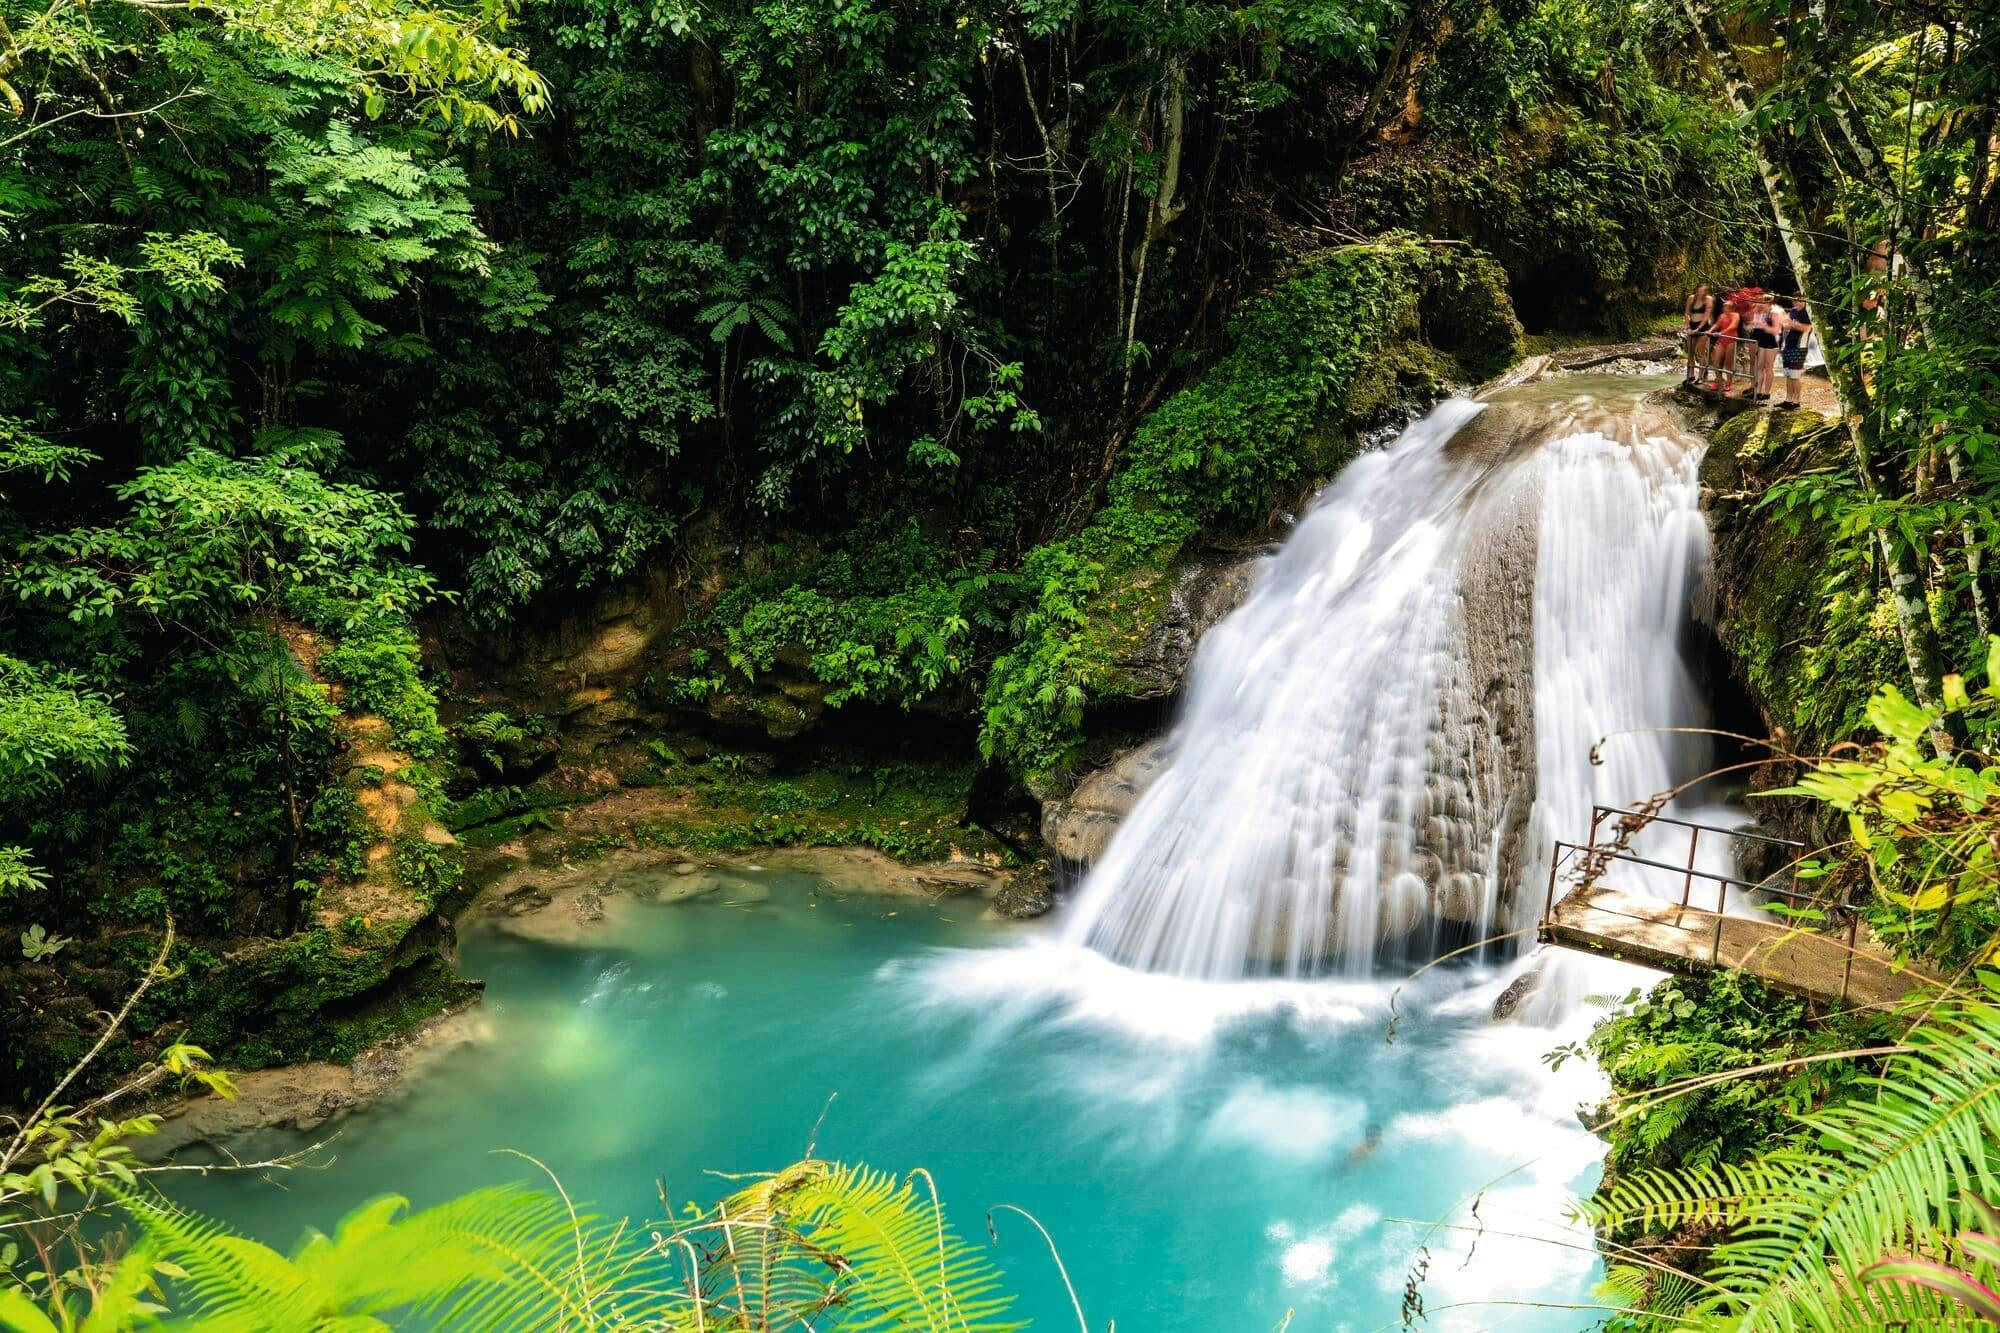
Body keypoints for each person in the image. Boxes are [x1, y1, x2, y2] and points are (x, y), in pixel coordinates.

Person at [1777, 296, 1812, 409]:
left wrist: (1792, 324)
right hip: (1788, 345)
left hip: (1799, 347)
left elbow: (1807, 328)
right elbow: (1785, 325)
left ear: (1804, 301)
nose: (1797, 302)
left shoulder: (1807, 312)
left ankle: (1796, 401)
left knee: (1795, 375)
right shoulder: (1793, 311)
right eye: (1795, 300)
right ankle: (1788, 399)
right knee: (1788, 374)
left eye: (1799, 300)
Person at [1746, 299, 1780, 401]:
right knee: (1760, 366)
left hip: (1771, 343)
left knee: (1768, 367)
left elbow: (1775, 331)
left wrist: (1764, 326)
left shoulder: (1773, 314)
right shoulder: (1759, 313)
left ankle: (1767, 392)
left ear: (1769, 305)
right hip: (1761, 343)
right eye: (1761, 302)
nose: (1761, 305)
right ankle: (1758, 391)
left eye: (1764, 303)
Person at [1683, 284, 1716, 385]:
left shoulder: (1708, 299)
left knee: (1700, 352)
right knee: (1691, 352)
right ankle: (1691, 375)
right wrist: (1688, 327)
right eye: (1699, 290)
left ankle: (1701, 376)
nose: (1700, 293)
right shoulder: (1691, 298)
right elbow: (1687, 313)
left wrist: (1698, 329)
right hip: (1692, 325)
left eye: (1702, 291)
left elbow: (1707, 316)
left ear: (1705, 292)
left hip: (1703, 326)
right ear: (1696, 290)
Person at [1708, 299, 1741, 392]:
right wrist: (1710, 331)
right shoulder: (1722, 316)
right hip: (1722, 340)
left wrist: (1721, 332)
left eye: (1727, 306)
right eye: (1724, 306)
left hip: (1730, 340)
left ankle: (1729, 382)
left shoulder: (1736, 315)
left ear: (1732, 308)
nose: (1724, 307)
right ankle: (1718, 381)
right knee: (1715, 360)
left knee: (1728, 363)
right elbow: (1717, 324)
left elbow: (1733, 326)